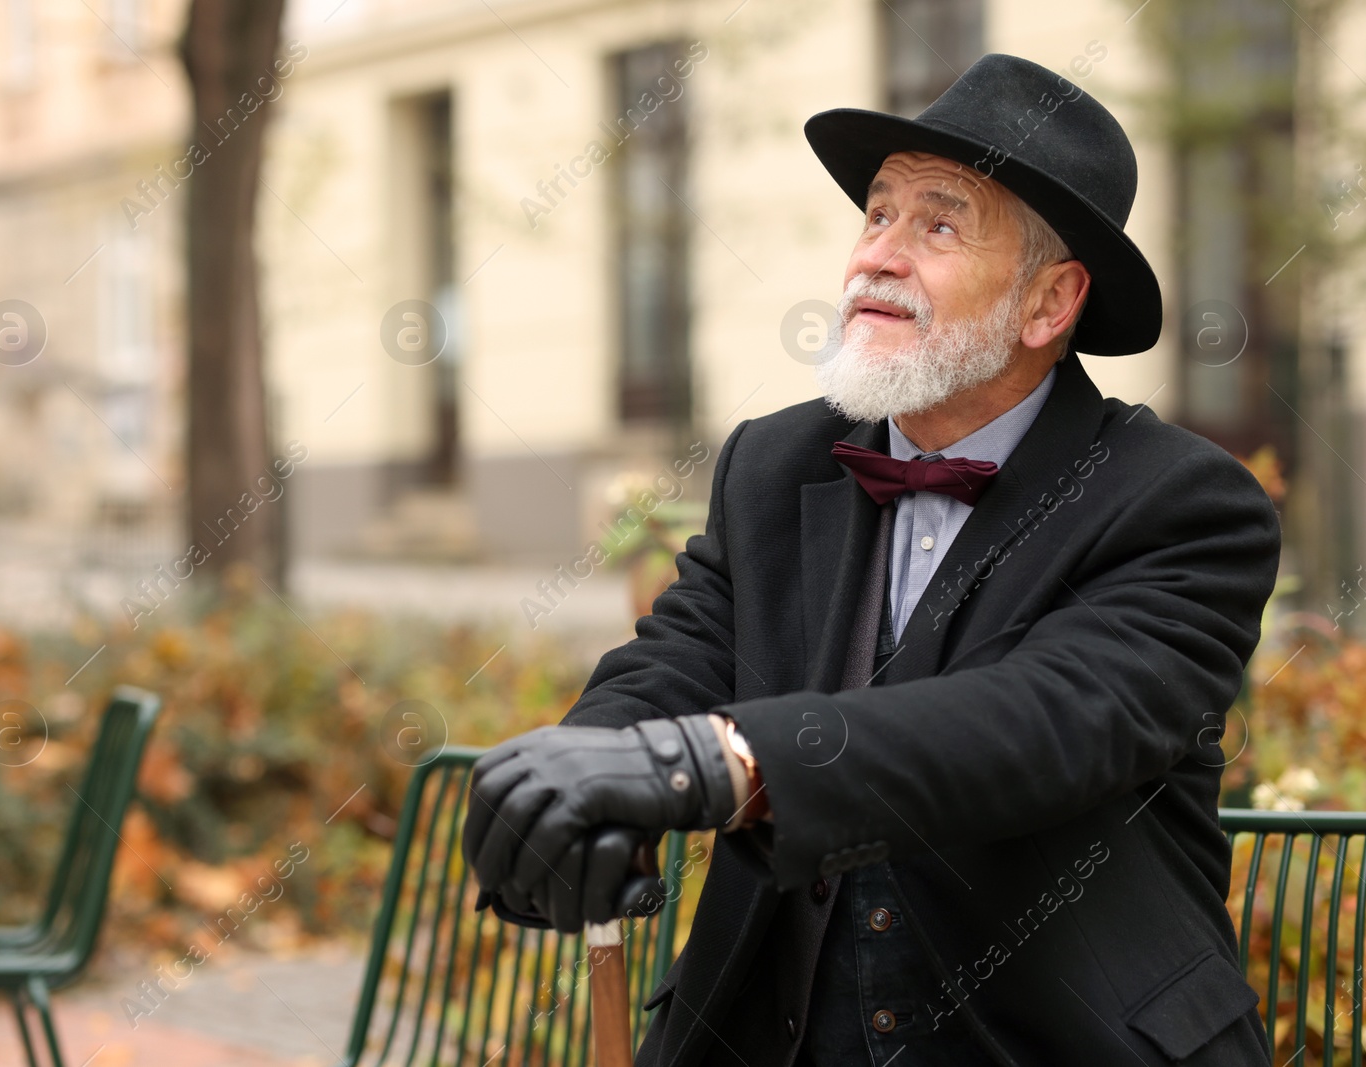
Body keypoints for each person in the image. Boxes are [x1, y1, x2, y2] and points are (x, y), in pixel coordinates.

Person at [462, 52, 1281, 1066]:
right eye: (877, 215)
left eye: (937, 225)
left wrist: (711, 764)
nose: (876, 257)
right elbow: (673, 659)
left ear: (1047, 304)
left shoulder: (1181, 502)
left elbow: (1039, 723)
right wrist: (580, 783)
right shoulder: (773, 460)